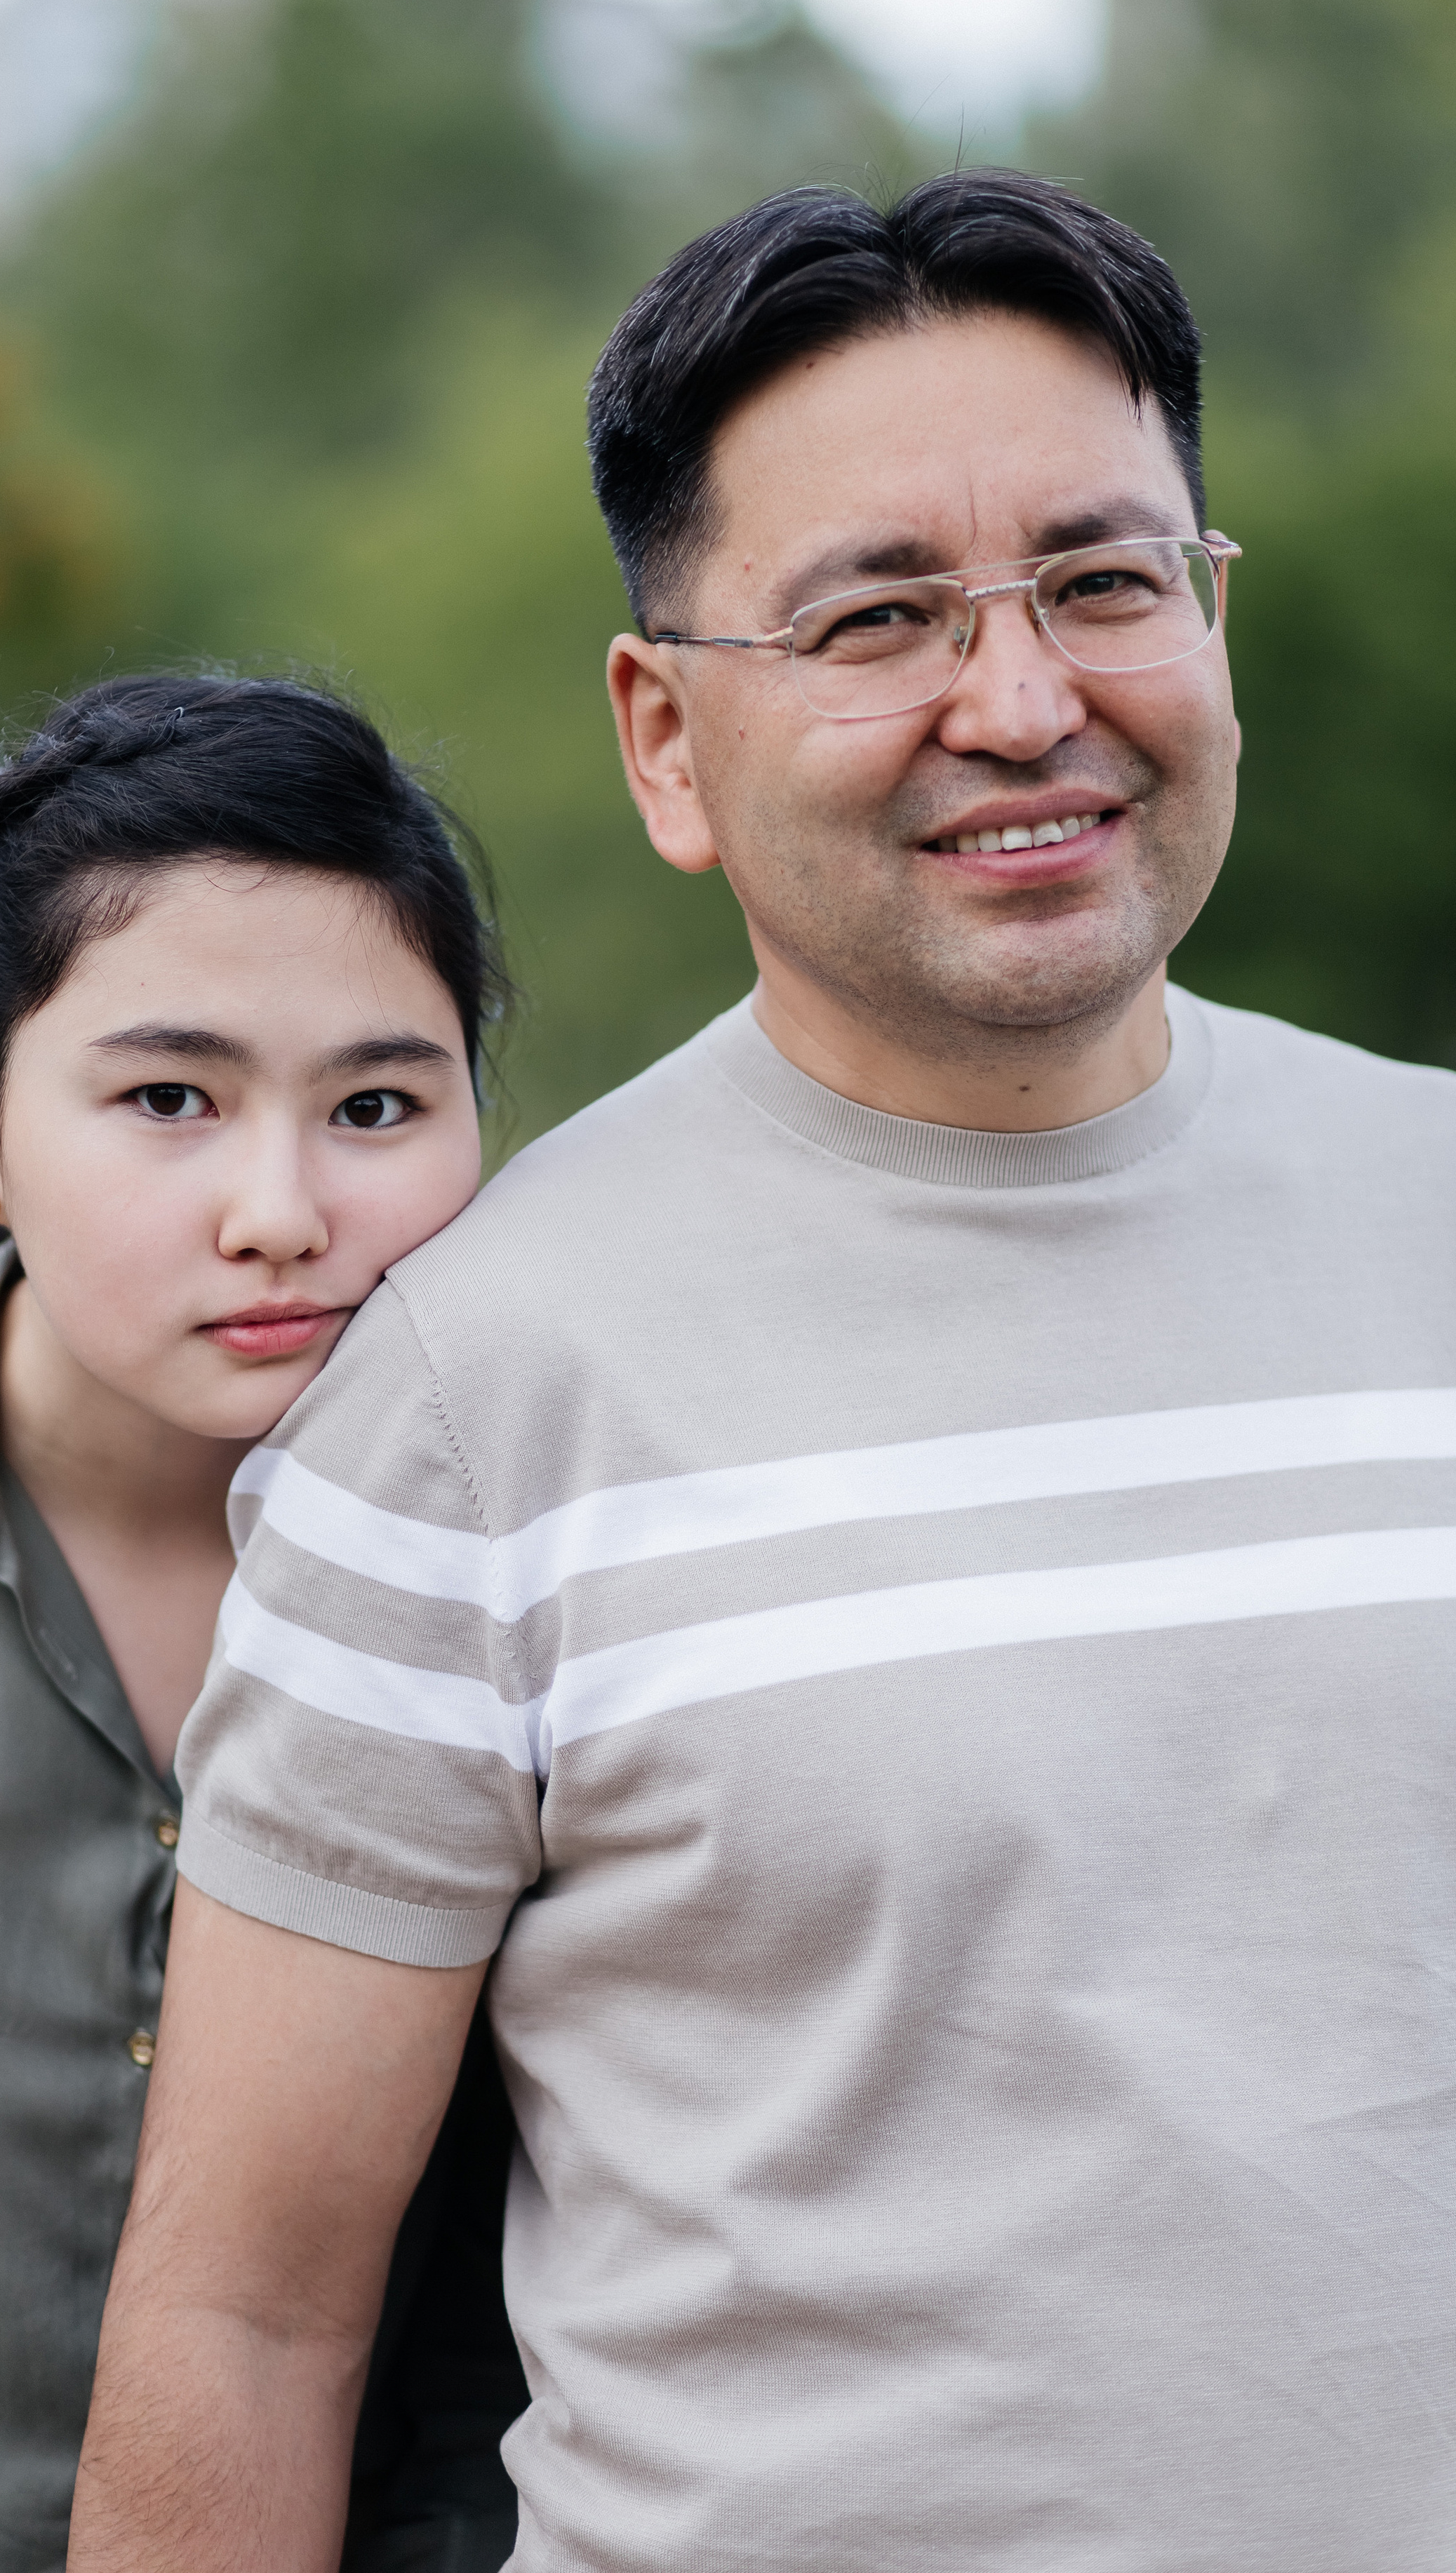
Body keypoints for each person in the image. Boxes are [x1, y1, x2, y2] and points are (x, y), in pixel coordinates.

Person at [71, 175, 1456, 2573]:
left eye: (1105, 583)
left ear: (1213, 622)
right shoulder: (474, 1390)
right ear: (666, 737)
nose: (1023, 703)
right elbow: (246, 2322)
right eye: (877, 618)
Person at [0, 674, 529, 2572]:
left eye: (377, 1102)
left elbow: (523, 2353)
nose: (283, 1210)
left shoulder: (542, 1560)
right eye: (167, 1099)